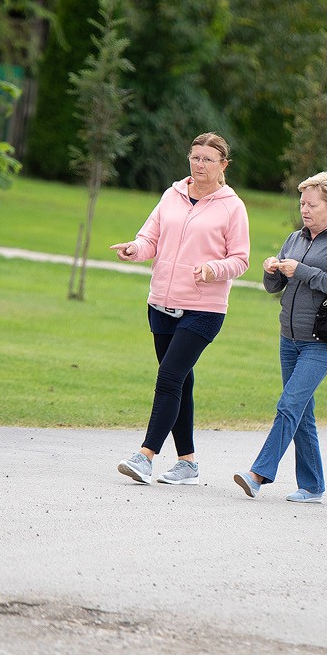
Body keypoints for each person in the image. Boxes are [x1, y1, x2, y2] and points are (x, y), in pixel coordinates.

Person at [111, 133, 250, 486]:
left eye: (208, 159)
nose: (199, 165)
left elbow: (240, 260)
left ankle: (145, 457)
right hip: (160, 303)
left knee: (169, 377)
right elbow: (150, 238)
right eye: (195, 157)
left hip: (204, 308)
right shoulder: (171, 195)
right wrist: (135, 249)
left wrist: (212, 269)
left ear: (224, 166)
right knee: (181, 383)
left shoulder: (232, 206)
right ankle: (187, 463)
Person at [234, 171, 327, 505]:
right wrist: (270, 270)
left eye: (312, 204)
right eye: (302, 202)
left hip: (323, 341)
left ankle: (258, 475)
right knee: (301, 411)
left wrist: (301, 272)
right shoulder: (295, 238)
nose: (305, 209)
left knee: (289, 404)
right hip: (289, 338)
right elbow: (274, 288)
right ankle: (313, 486)